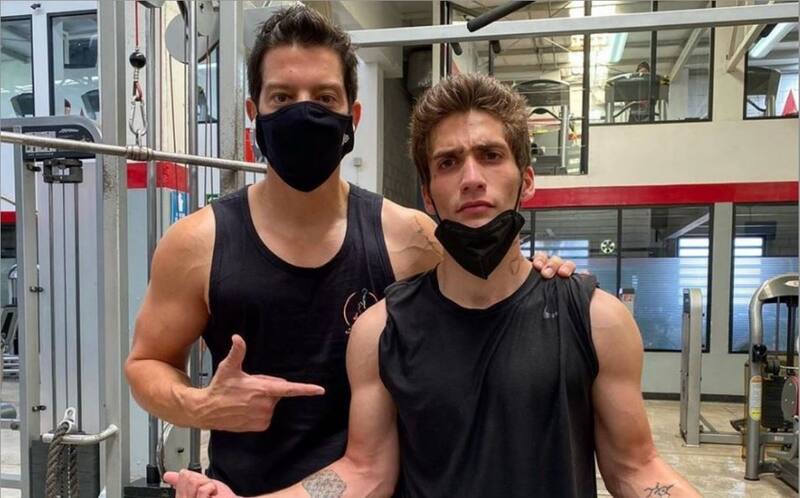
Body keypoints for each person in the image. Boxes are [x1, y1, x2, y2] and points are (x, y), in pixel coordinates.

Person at [164, 73, 700, 498]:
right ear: (427, 193)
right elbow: (363, 472)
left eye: (491, 155)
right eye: (448, 162)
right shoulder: (381, 331)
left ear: (527, 179)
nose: (472, 177)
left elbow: (636, 469)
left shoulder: (596, 320)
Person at [125, 6, 574, 496]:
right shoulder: (197, 243)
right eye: (282, 97)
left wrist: (540, 275)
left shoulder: (411, 239)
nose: (303, 112)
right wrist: (201, 405)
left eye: (324, 98)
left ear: (352, 117)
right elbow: (146, 363)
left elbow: (488, 297)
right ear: (254, 114)